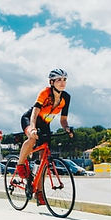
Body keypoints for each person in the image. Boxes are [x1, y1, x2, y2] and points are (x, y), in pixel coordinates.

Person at [16, 68, 74, 204]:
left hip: (46, 124)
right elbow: (35, 112)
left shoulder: (66, 97)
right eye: (59, 80)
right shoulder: (45, 93)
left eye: (64, 79)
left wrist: (67, 128)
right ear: (51, 82)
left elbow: (63, 119)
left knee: (44, 162)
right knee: (32, 137)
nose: (62, 82)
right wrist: (33, 128)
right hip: (31, 119)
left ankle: (40, 192)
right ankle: (20, 165)